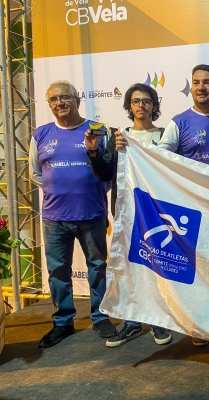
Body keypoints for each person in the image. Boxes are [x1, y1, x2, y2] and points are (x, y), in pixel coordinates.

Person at [115, 65, 209, 347]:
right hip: (194, 209)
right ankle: (199, 327)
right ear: (191, 87)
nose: (201, 87)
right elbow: (157, 160)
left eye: (207, 82)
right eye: (196, 82)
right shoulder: (179, 123)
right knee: (200, 272)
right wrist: (129, 147)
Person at [29, 80, 116, 348]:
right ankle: (63, 322)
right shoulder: (40, 135)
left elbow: (109, 173)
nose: (59, 103)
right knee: (58, 272)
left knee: (97, 267)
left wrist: (87, 190)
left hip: (92, 214)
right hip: (54, 218)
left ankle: (100, 316)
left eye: (65, 97)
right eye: (53, 100)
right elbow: (35, 174)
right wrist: (61, 188)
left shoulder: (99, 131)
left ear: (78, 100)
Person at [85, 83, 172, 348]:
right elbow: (104, 174)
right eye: (136, 101)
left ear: (154, 105)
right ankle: (132, 322)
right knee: (128, 267)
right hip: (127, 214)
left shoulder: (165, 136)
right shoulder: (119, 137)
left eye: (146, 101)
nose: (141, 105)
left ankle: (156, 319)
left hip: (157, 214)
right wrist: (93, 151)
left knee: (156, 267)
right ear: (129, 106)